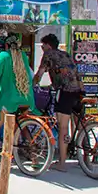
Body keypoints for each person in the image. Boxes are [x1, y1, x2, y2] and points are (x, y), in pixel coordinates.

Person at [0, 34, 36, 172]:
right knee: (21, 127)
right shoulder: (23, 57)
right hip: (26, 100)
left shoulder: (4, 56)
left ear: (6, 46)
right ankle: (36, 159)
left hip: (7, 101)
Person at [33, 33, 83, 171]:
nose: (42, 48)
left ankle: (62, 162)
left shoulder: (48, 55)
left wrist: (31, 86)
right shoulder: (65, 54)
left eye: (43, 45)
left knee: (63, 127)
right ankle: (86, 160)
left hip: (65, 91)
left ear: (48, 45)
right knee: (79, 125)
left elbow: (39, 74)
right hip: (78, 90)